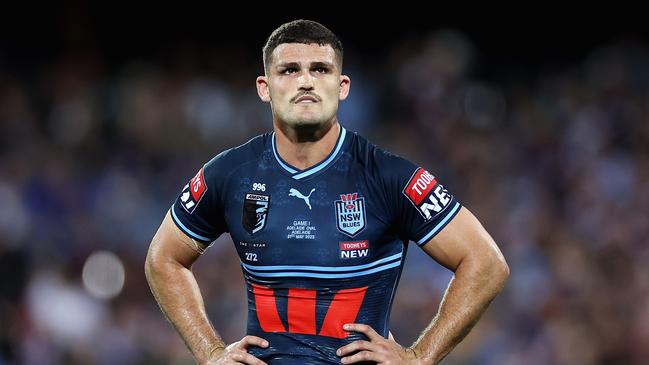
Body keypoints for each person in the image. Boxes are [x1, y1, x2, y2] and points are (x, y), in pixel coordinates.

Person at [145, 19, 509, 365]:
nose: (306, 81)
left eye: (320, 69)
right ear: (264, 87)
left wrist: (420, 355)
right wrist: (209, 352)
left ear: (342, 86)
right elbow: (163, 258)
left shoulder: (388, 176)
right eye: (289, 70)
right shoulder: (229, 173)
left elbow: (486, 263)